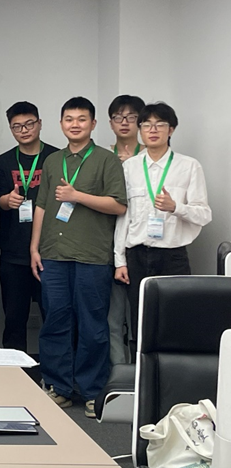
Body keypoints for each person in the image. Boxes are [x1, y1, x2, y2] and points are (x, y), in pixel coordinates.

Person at [30, 97, 127, 419]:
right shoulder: (53, 161)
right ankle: (57, 386)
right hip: (54, 254)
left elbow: (119, 205)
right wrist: (34, 247)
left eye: (82, 119)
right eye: (69, 119)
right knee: (55, 321)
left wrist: (77, 196)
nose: (75, 124)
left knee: (92, 326)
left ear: (93, 124)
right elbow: (42, 205)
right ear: (61, 124)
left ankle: (92, 391)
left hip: (92, 255)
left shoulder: (106, 160)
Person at [114, 102, 211, 357]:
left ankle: (173, 376)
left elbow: (204, 214)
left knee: (176, 322)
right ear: (140, 130)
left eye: (160, 124)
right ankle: (142, 375)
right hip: (136, 255)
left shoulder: (189, 166)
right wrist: (119, 260)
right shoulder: (130, 167)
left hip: (173, 256)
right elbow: (123, 217)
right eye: (146, 125)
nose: (153, 130)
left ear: (172, 130)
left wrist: (175, 207)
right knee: (140, 323)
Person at [0, 102, 58, 352]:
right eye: (17, 126)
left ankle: (54, 371)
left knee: (55, 318)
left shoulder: (56, 158)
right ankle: (15, 372)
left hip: (52, 252)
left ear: (39, 123)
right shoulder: (2, 162)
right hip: (13, 253)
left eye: (29, 124)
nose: (24, 130)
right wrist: (6, 201)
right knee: (14, 320)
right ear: (11, 129)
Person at [106, 94, 145, 365]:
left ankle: (144, 375)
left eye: (131, 117)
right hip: (108, 244)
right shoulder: (103, 157)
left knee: (143, 319)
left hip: (142, 245)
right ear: (110, 122)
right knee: (113, 318)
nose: (124, 122)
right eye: (118, 117)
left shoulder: (152, 157)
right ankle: (119, 376)